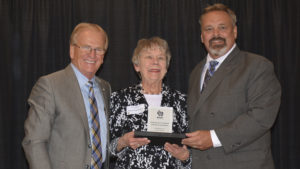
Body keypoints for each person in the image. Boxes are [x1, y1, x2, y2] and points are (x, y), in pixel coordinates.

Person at [181, 3, 281, 169]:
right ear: (201, 36)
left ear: (234, 31)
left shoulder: (257, 66)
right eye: (209, 29)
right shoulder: (196, 72)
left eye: (222, 27)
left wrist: (213, 138)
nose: (216, 34)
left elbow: (261, 117)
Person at [22, 22, 111, 169]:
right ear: (72, 50)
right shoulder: (50, 85)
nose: (92, 54)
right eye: (86, 47)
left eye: (99, 49)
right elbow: (34, 141)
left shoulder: (105, 88)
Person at [109, 37, 191, 169]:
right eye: (149, 57)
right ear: (137, 66)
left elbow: (193, 149)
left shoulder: (181, 101)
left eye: (160, 58)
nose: (155, 62)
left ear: (167, 65)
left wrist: (185, 158)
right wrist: (122, 142)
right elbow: (105, 150)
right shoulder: (120, 99)